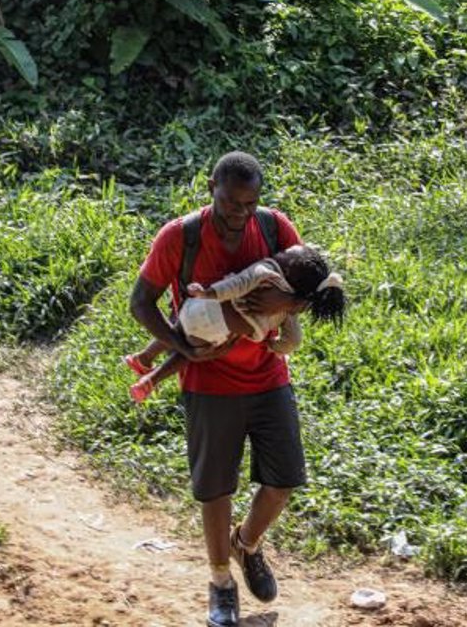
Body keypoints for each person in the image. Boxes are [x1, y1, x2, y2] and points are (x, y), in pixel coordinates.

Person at [129, 151, 311, 627]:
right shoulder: (180, 236)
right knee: (215, 491)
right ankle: (220, 584)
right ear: (211, 187)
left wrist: (287, 303)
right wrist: (181, 349)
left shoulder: (274, 228)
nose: (240, 215)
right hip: (209, 383)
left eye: (250, 205)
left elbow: (308, 283)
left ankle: (246, 544)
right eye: (231, 203)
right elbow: (141, 303)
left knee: (285, 478)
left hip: (268, 378)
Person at [126, 243, 345, 403]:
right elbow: (293, 340)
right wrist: (274, 346)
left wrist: (208, 292)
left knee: (176, 332)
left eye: (283, 254)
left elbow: (237, 284)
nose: (278, 253)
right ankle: (151, 380)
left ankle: (145, 357)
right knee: (187, 351)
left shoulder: (267, 271)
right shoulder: (288, 310)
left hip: (205, 308)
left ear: (288, 271)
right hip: (217, 333)